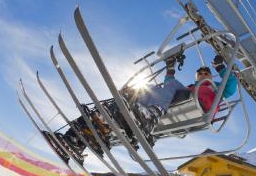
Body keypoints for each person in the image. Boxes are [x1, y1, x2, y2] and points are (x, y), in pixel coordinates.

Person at [61, 54, 237, 153]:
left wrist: (221, 68)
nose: (203, 74)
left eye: (206, 73)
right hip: (178, 105)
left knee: (170, 85)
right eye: (200, 73)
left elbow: (230, 85)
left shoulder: (215, 89)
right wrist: (170, 68)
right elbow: (169, 84)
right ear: (196, 76)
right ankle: (79, 136)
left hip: (199, 107)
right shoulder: (190, 88)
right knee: (149, 89)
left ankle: (151, 113)